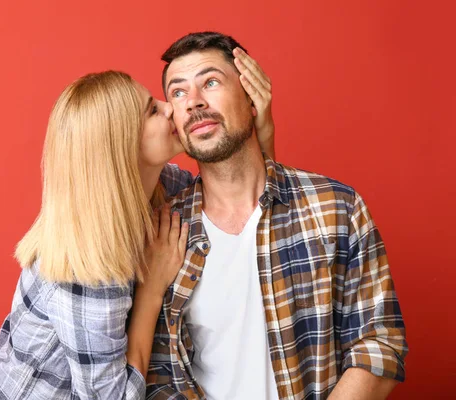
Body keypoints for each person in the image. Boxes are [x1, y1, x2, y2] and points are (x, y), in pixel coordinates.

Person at [0, 53, 275, 398]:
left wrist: (262, 128)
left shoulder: (159, 185)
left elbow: (239, 194)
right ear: (122, 146)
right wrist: (152, 290)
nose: (169, 108)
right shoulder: (85, 266)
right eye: (152, 110)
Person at [145, 32, 408, 400]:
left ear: (252, 98)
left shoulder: (336, 208)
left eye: (211, 81)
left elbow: (379, 344)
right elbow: (159, 375)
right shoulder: (166, 232)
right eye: (178, 92)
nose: (194, 103)